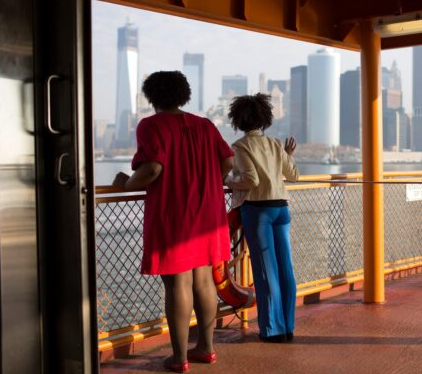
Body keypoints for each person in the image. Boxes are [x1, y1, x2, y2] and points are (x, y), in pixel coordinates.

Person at [112, 71, 234, 373]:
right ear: (184, 94)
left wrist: (126, 184)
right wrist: (208, 187)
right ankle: (206, 347)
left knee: (178, 282)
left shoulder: (151, 125)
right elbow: (227, 162)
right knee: (204, 280)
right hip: (209, 214)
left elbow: (152, 168)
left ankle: (179, 358)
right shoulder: (205, 125)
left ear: (152, 97)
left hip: (174, 213)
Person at [225, 93, 299, 343]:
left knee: (267, 272)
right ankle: (288, 326)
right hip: (281, 209)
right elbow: (293, 175)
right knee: (285, 269)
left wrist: (229, 180)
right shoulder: (275, 144)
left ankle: (272, 330)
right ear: (264, 118)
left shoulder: (241, 146)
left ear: (238, 120)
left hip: (258, 210)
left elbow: (251, 180)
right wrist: (288, 155)